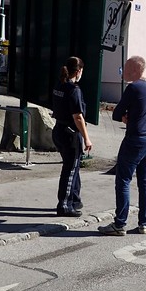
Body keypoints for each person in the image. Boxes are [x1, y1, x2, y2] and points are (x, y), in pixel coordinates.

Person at [99, 56, 146, 236]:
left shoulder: (133, 87)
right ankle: (144, 223)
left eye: (125, 68)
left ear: (134, 70)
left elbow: (117, 113)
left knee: (123, 180)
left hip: (135, 140)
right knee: (145, 183)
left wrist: (125, 116)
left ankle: (119, 224)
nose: (122, 71)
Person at [51, 56, 93, 216]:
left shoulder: (59, 84)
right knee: (69, 170)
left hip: (59, 130)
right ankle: (64, 205)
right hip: (70, 134)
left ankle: (75, 199)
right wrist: (87, 137)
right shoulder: (74, 90)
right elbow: (78, 117)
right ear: (79, 71)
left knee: (73, 167)